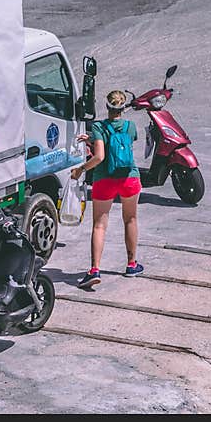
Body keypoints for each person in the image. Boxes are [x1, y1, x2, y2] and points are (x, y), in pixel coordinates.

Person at [71, 90, 144, 289]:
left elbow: (100, 156)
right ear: (123, 108)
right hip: (129, 178)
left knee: (99, 226)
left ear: (107, 107)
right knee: (130, 219)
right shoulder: (131, 127)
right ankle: (131, 264)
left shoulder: (98, 126)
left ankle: (94, 270)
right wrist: (93, 140)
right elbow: (120, 146)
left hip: (105, 180)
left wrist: (81, 169)